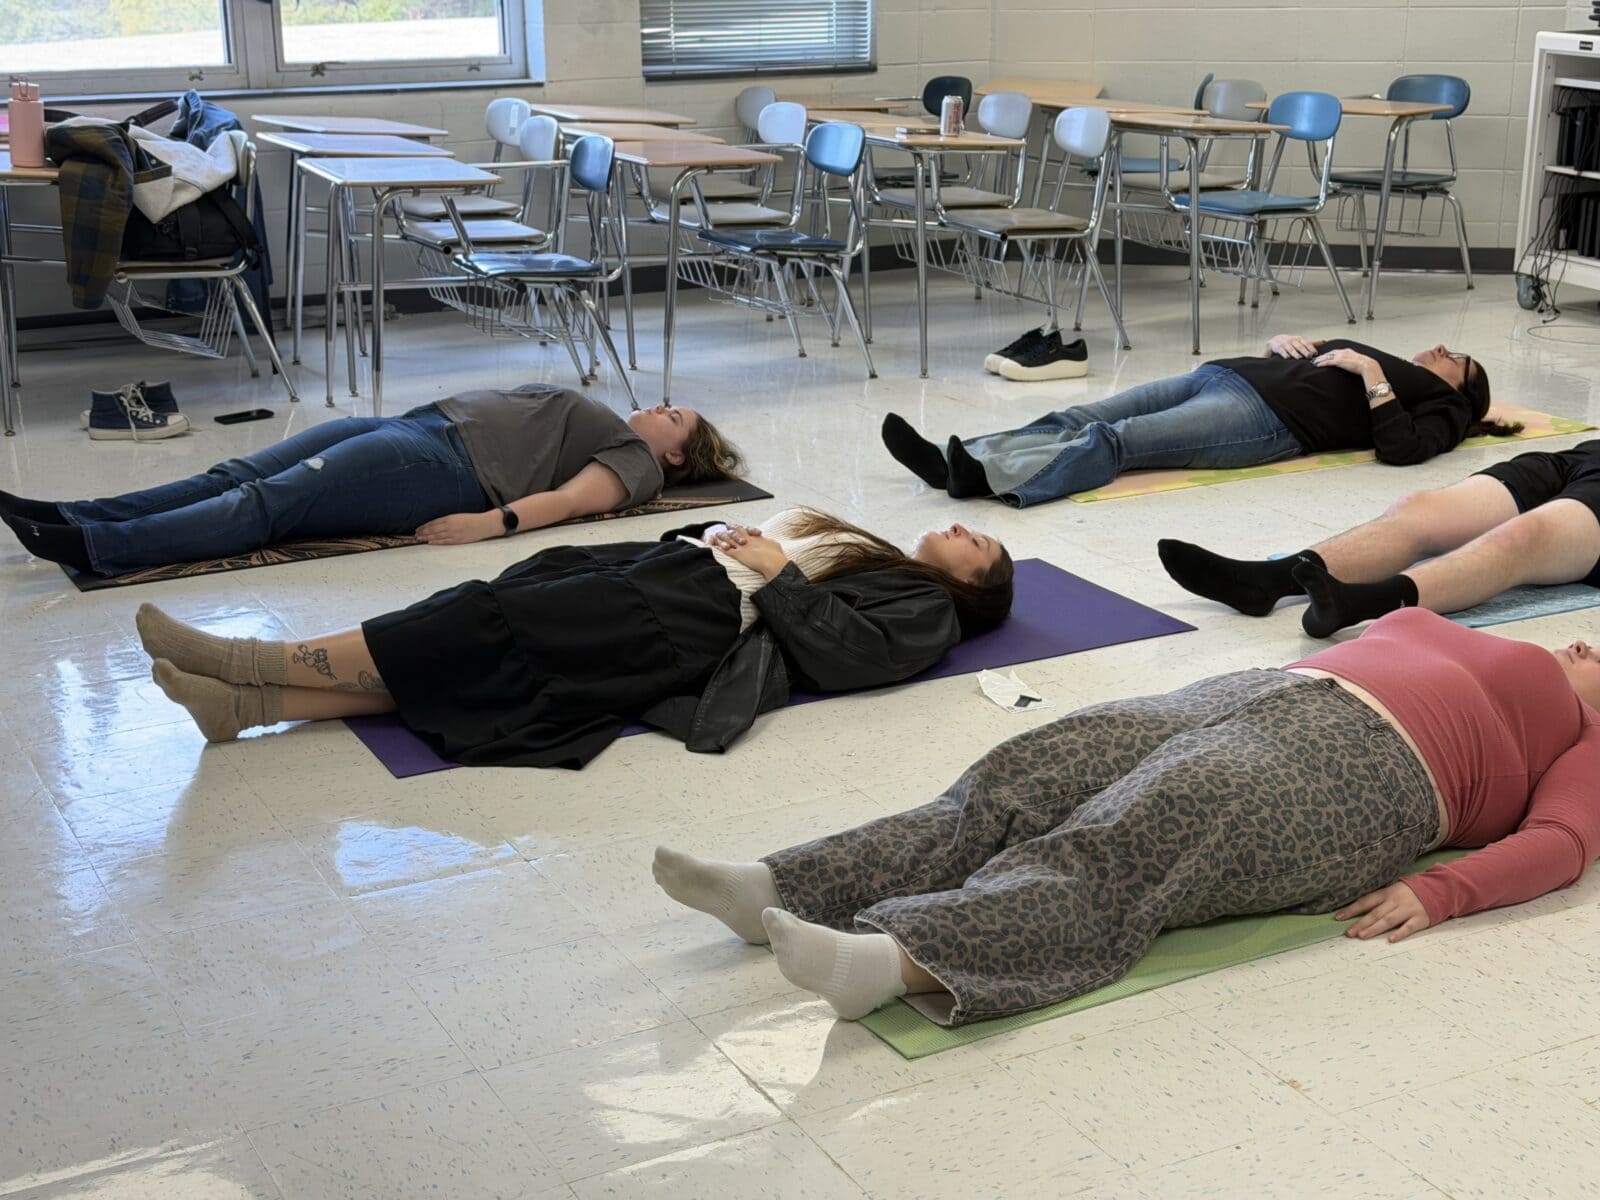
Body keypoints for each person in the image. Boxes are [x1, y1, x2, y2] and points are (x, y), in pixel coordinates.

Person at [655, 607, 1600, 1024]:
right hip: (1260, 691)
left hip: (1374, 772)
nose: (1592, 641)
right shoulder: (1501, 641)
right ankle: (784, 885)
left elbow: (1561, 847)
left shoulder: (1588, 735)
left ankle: (906, 962)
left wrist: (1443, 893)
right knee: (1034, 767)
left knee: (1146, 830)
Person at [135, 508, 1015, 767]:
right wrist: (724, 537)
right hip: (680, 581)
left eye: (977, 544)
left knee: (479, 627)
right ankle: (248, 708)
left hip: (695, 620)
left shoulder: (928, 607)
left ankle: (245, 663)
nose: (959, 530)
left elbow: (854, 657)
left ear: (972, 586)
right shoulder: (875, 553)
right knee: (485, 627)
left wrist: (776, 568)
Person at [0, 385, 742, 577]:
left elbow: (577, 501)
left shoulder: (636, 465)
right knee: (243, 469)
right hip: (420, 429)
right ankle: (76, 510)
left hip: (442, 469)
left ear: (676, 456)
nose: (656, 407)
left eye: (671, 415)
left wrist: (492, 524)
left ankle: (99, 546)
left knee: (270, 502)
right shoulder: (623, 429)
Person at [880, 333, 1518, 507]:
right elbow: (1321, 363)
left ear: (1466, 387)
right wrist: (1289, 344)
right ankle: (954, 458)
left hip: (1264, 417)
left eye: (1454, 358)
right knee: (1084, 410)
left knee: (1116, 440)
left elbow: (1402, 452)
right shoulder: (1408, 372)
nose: (1438, 351)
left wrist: (1370, 373)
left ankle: (988, 479)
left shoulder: (1449, 409)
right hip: (1232, 375)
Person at [1159, 439, 1600, 637]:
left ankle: (1359, 603)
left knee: (1526, 535)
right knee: (1417, 510)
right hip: (1582, 456)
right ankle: (1265, 581)